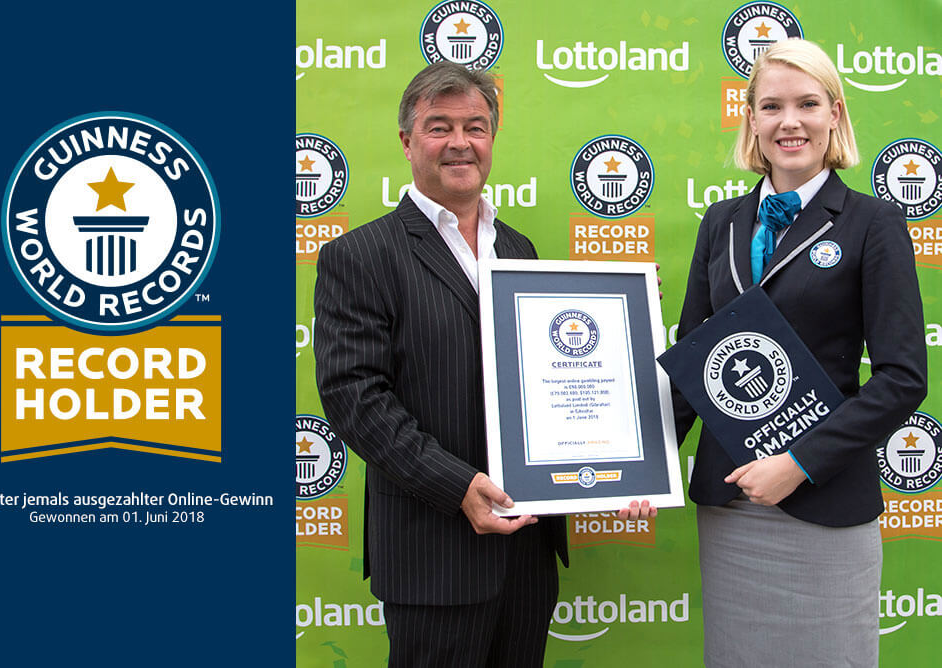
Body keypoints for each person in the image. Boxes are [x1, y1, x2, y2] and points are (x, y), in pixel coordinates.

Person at [314, 61, 654, 667]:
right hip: (432, 555)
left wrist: (614, 469)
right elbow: (355, 398)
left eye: (475, 126)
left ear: (492, 138)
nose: (460, 142)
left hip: (527, 555)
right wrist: (458, 487)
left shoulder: (519, 249)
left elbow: (555, 385)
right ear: (407, 141)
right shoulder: (360, 254)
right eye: (439, 127)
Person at [672, 39, 927, 667]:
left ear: (834, 114)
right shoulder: (720, 222)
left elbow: (902, 378)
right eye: (772, 106)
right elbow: (692, 365)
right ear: (751, 120)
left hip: (826, 501)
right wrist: (640, 464)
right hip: (732, 502)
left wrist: (798, 462)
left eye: (808, 104)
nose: (790, 122)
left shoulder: (873, 223)